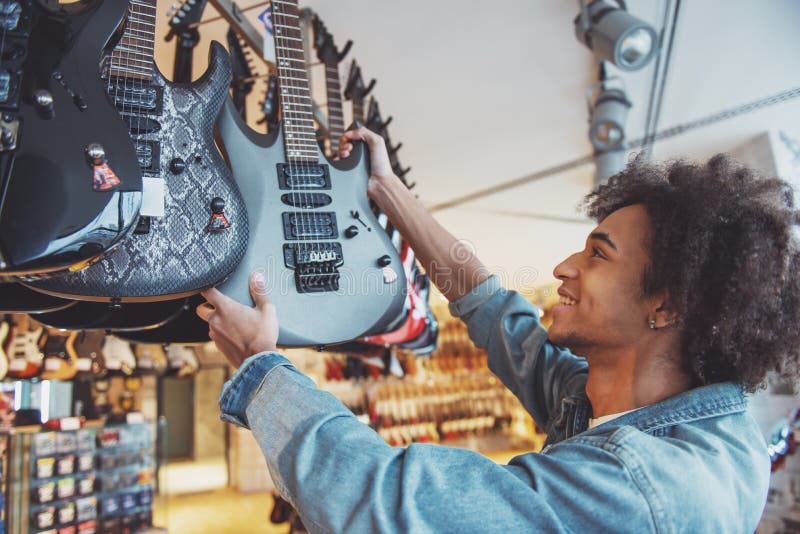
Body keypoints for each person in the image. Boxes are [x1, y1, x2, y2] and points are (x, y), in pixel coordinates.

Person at [196, 127, 800, 532]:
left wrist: (259, 365)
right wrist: (386, 191)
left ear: (665, 307)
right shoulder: (649, 404)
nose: (563, 267)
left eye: (598, 254)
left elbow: (387, 505)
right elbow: (497, 313)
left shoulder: (639, 488)